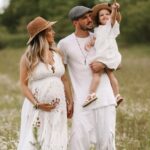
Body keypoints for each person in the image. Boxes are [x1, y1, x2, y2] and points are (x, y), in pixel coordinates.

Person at [58, 5, 117, 150]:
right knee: (78, 141)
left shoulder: (101, 36)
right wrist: (69, 100)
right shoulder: (64, 44)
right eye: (85, 17)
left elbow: (117, 61)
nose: (90, 19)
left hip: (105, 97)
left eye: (90, 16)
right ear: (75, 22)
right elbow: (61, 74)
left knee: (106, 142)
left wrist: (103, 64)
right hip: (82, 101)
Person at [17, 16, 73, 150]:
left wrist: (70, 101)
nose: (53, 32)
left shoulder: (58, 54)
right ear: (41, 35)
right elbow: (23, 85)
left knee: (56, 141)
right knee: (35, 141)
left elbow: (64, 79)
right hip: (37, 108)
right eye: (49, 30)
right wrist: (37, 104)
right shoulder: (28, 58)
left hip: (58, 108)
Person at [82, 2, 123, 107]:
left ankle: (91, 94)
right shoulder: (97, 30)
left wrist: (113, 10)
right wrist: (91, 44)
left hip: (106, 55)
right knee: (110, 74)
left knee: (96, 73)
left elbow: (113, 19)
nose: (105, 16)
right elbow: (95, 39)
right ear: (98, 18)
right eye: (101, 15)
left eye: (107, 14)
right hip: (107, 56)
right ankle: (117, 95)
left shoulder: (111, 26)